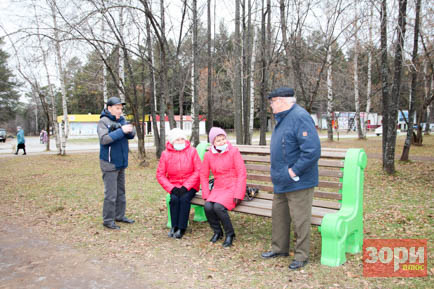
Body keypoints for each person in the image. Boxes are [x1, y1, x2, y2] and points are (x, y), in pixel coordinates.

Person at [261, 87, 321, 270]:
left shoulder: (300, 117)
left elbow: (312, 151)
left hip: (298, 181)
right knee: (279, 216)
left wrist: (294, 172)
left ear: (282, 100)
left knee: (300, 219)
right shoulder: (283, 118)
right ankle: (279, 249)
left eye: (272, 101)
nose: (271, 105)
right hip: (281, 180)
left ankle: (301, 255)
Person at [200, 127, 246, 247]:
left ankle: (230, 234)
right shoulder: (209, 155)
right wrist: (206, 194)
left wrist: (238, 193)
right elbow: (204, 175)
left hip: (233, 187)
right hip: (218, 187)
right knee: (208, 206)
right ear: (213, 143)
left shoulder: (233, 151)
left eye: (223, 139)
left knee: (218, 207)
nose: (222, 142)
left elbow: (241, 172)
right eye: (218, 140)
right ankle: (217, 232)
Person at [97, 96, 136, 229]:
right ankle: (108, 220)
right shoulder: (103, 121)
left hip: (121, 162)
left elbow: (130, 135)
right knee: (111, 194)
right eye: (117, 108)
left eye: (121, 108)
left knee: (121, 192)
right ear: (109, 108)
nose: (120, 111)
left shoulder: (122, 120)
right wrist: (121, 131)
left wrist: (130, 130)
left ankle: (119, 216)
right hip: (109, 163)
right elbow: (104, 140)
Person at [156, 128, 201, 239]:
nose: (180, 141)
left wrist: (186, 186)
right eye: (177, 140)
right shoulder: (165, 154)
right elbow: (160, 174)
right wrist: (171, 188)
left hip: (190, 185)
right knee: (175, 199)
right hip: (174, 185)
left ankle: (182, 227)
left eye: (182, 139)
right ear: (172, 141)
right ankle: (174, 226)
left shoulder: (192, 151)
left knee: (184, 198)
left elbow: (198, 171)